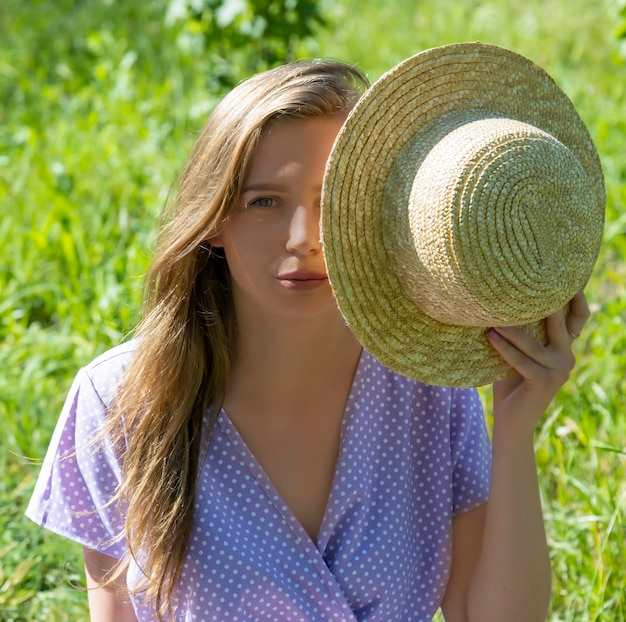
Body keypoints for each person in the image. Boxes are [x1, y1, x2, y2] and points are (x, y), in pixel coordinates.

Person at [26, 46, 599, 622]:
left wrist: (517, 425)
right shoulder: (120, 400)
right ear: (215, 220)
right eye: (264, 202)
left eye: (331, 205)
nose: (303, 237)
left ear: (376, 216)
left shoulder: (428, 390)